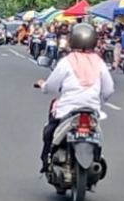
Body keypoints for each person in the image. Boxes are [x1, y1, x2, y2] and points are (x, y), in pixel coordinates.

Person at [34, 24, 114, 173]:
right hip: (92, 112)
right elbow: (108, 90)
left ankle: (46, 161)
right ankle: (96, 158)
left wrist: (42, 85)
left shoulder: (66, 62)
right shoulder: (100, 63)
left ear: (72, 39)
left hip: (66, 111)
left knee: (49, 131)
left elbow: (51, 87)